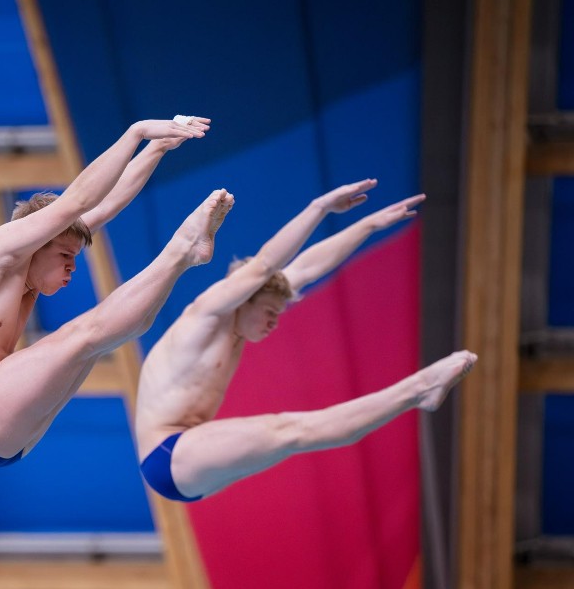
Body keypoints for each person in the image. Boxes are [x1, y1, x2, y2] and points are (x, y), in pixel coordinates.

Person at [0, 116, 235, 467]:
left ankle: (184, 256)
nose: (73, 266)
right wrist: (137, 133)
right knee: (85, 333)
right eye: (65, 255)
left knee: (101, 341)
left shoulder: (25, 269)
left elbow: (104, 206)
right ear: (37, 241)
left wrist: (157, 148)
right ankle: (183, 250)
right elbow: (79, 200)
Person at [135, 178, 477, 502]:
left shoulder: (238, 319)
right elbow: (265, 265)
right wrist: (320, 207)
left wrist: (368, 225)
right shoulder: (207, 313)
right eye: (270, 311)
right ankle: (420, 389)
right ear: (244, 298)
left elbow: (306, 269)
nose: (274, 322)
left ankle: (419, 391)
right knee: (292, 430)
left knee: (297, 433)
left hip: (187, 456)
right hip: (167, 453)